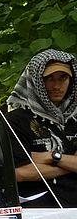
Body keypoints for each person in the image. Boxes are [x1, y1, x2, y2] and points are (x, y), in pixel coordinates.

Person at [6, 49, 77, 207]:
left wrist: (52, 157)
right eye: (49, 78)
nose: (57, 85)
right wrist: (71, 164)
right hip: (39, 213)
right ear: (35, 80)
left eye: (63, 78)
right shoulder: (15, 120)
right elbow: (21, 173)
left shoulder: (75, 119)